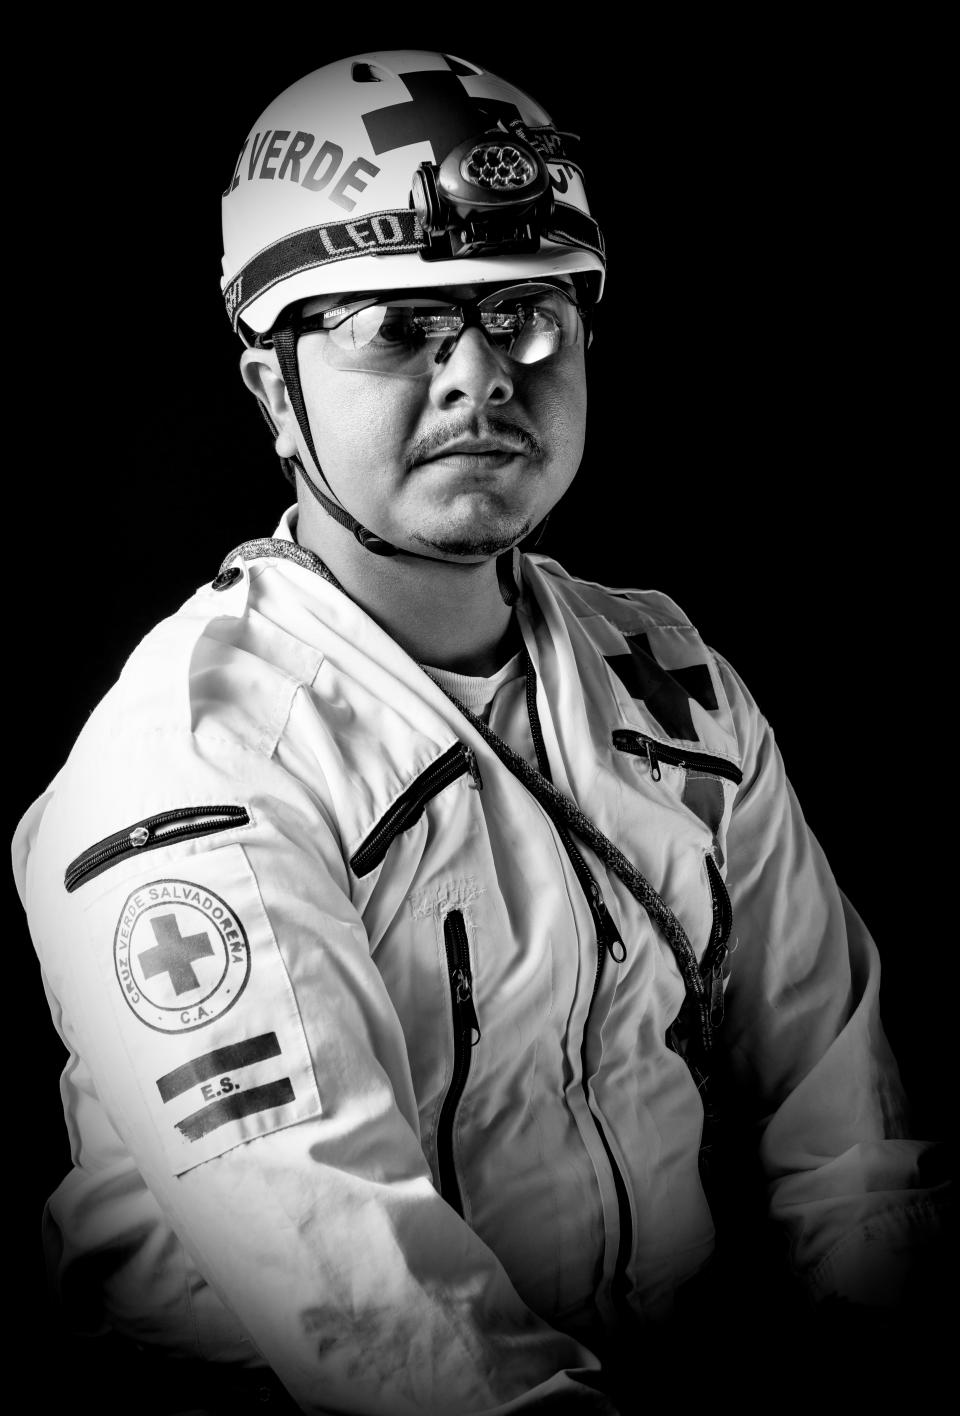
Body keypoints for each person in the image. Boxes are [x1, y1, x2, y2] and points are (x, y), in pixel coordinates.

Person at [12, 49, 949, 1416]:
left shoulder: (664, 675)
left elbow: (838, 1104)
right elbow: (365, 1310)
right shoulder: (194, 761)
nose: (480, 378)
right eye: (397, 325)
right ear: (275, 393)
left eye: (526, 315)